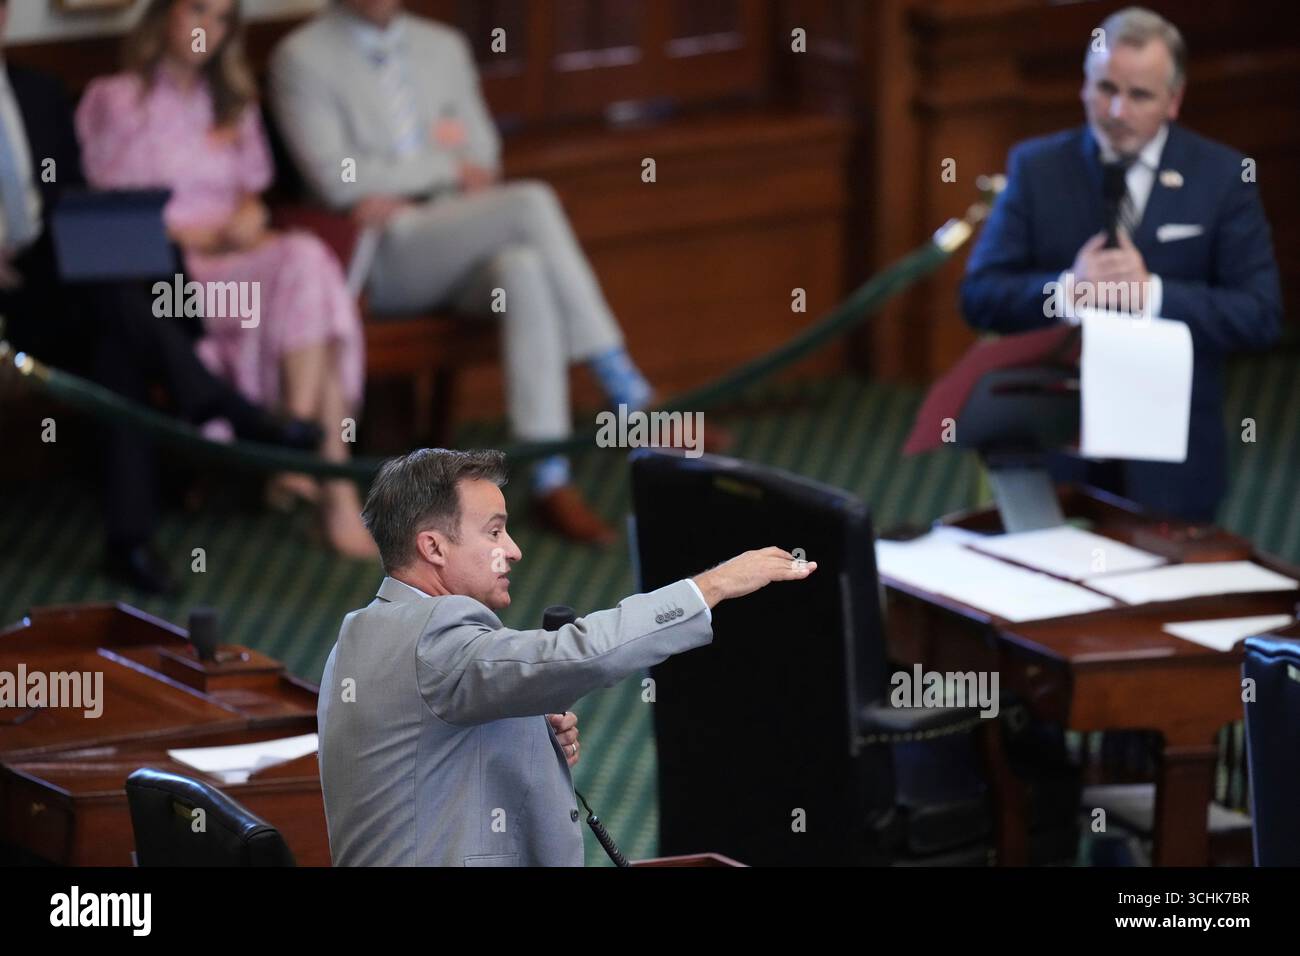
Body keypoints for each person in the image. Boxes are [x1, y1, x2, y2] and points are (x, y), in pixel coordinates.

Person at [269, 0, 723, 546]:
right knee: (530, 202)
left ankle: (550, 477)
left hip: (462, 231)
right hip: (384, 257)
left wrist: (397, 180)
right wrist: (444, 168)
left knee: (524, 270)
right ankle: (629, 394)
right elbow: (336, 181)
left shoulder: (442, 46)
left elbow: (486, 154)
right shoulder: (301, 56)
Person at [317, 448, 816, 866]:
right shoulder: (434, 637)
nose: (513, 550)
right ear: (433, 547)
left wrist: (529, 737)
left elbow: (429, 764)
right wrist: (712, 586)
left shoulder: (359, 637)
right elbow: (580, 654)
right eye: (494, 532)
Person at [0, 0, 320, 593]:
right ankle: (209, 410)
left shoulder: (37, 93)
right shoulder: (115, 98)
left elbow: (75, 209)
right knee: (121, 309)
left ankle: (137, 531)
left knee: (117, 304)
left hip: (51, 291)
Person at [74, 0, 377, 557]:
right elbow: (114, 215)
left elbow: (254, 199)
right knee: (307, 283)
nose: (206, 31)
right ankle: (321, 484)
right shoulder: (114, 100)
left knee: (306, 258)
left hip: (243, 263)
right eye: (196, 12)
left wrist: (249, 218)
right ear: (163, 15)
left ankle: (297, 438)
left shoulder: (233, 103)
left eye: (221, 19)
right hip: (175, 279)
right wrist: (202, 234)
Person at [960, 6, 1282, 522]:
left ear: (1173, 101)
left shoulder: (1224, 178)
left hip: (1171, 460)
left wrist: (1151, 295)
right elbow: (979, 297)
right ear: (1084, 87)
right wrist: (1067, 291)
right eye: (1105, 89)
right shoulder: (1037, 167)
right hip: (1053, 447)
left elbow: (1260, 315)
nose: (1117, 111)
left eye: (1139, 95)